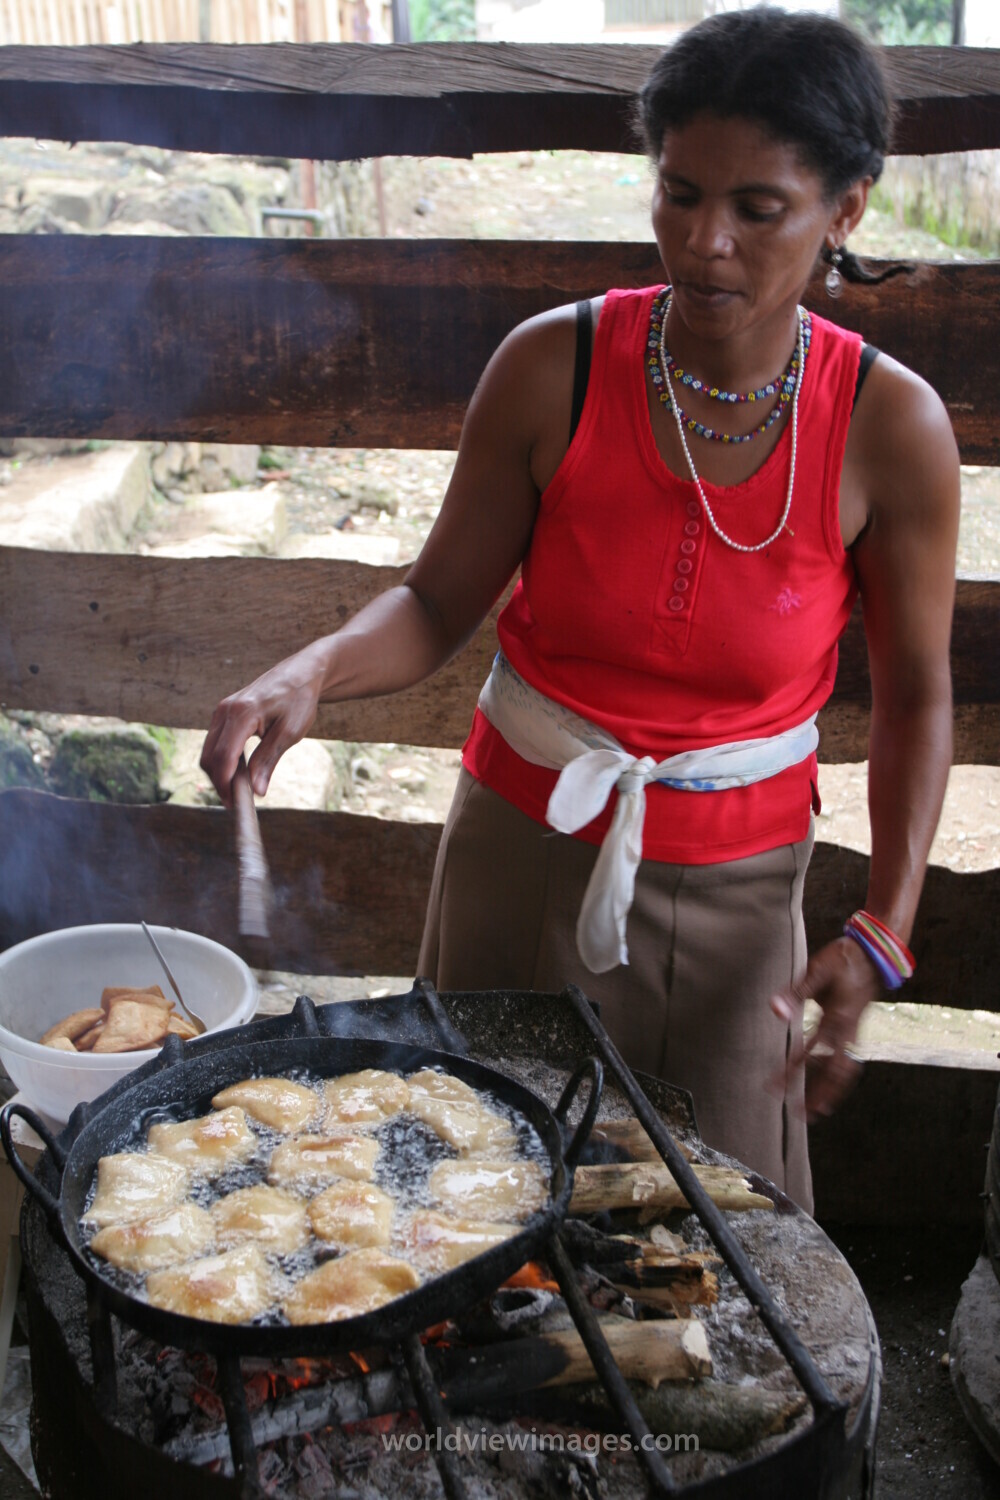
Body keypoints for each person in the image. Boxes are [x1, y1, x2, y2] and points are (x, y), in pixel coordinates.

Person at [201, 6, 959, 1212]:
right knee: (466, 1199)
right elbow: (435, 595)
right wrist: (310, 675)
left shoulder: (888, 426)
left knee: (714, 1243)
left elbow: (919, 693)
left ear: (846, 208)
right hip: (518, 851)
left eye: (757, 208)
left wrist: (884, 925)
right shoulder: (554, 367)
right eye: (677, 193)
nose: (704, 242)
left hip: (739, 893)